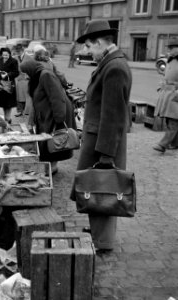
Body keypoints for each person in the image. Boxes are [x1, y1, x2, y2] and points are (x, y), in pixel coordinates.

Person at [70, 20, 132, 253]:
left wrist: (106, 154)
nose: (86, 52)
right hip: (98, 139)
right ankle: (99, 235)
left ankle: (102, 242)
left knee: (103, 190)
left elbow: (113, 116)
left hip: (103, 143)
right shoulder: (109, 63)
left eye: (88, 47)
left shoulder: (114, 67)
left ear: (98, 42)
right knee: (95, 189)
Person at [20, 59, 76, 174]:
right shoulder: (36, 77)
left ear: (30, 69)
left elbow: (57, 97)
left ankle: (52, 167)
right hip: (47, 113)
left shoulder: (46, 75)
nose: (24, 76)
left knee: (53, 140)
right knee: (46, 140)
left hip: (55, 112)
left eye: (25, 72)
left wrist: (59, 119)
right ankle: (49, 165)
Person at [153, 38, 178, 152]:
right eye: (169, 48)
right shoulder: (170, 60)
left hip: (176, 92)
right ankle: (174, 143)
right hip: (167, 92)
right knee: (169, 118)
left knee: (174, 119)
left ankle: (163, 144)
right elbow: (165, 75)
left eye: (172, 48)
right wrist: (161, 85)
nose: (169, 50)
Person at [0, 47, 19, 124]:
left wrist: (8, 75)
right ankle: (6, 117)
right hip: (1, 84)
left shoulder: (14, 61)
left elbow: (16, 72)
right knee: (3, 103)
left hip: (9, 84)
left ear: (9, 54)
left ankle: (8, 118)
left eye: (6, 55)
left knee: (9, 103)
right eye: (3, 55)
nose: (5, 56)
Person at [14, 44, 32, 117]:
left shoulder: (29, 58)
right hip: (18, 79)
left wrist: (28, 75)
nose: (18, 52)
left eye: (19, 51)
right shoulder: (15, 58)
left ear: (23, 50)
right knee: (18, 95)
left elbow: (32, 68)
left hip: (26, 79)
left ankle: (26, 110)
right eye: (17, 51)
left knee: (26, 95)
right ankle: (19, 110)